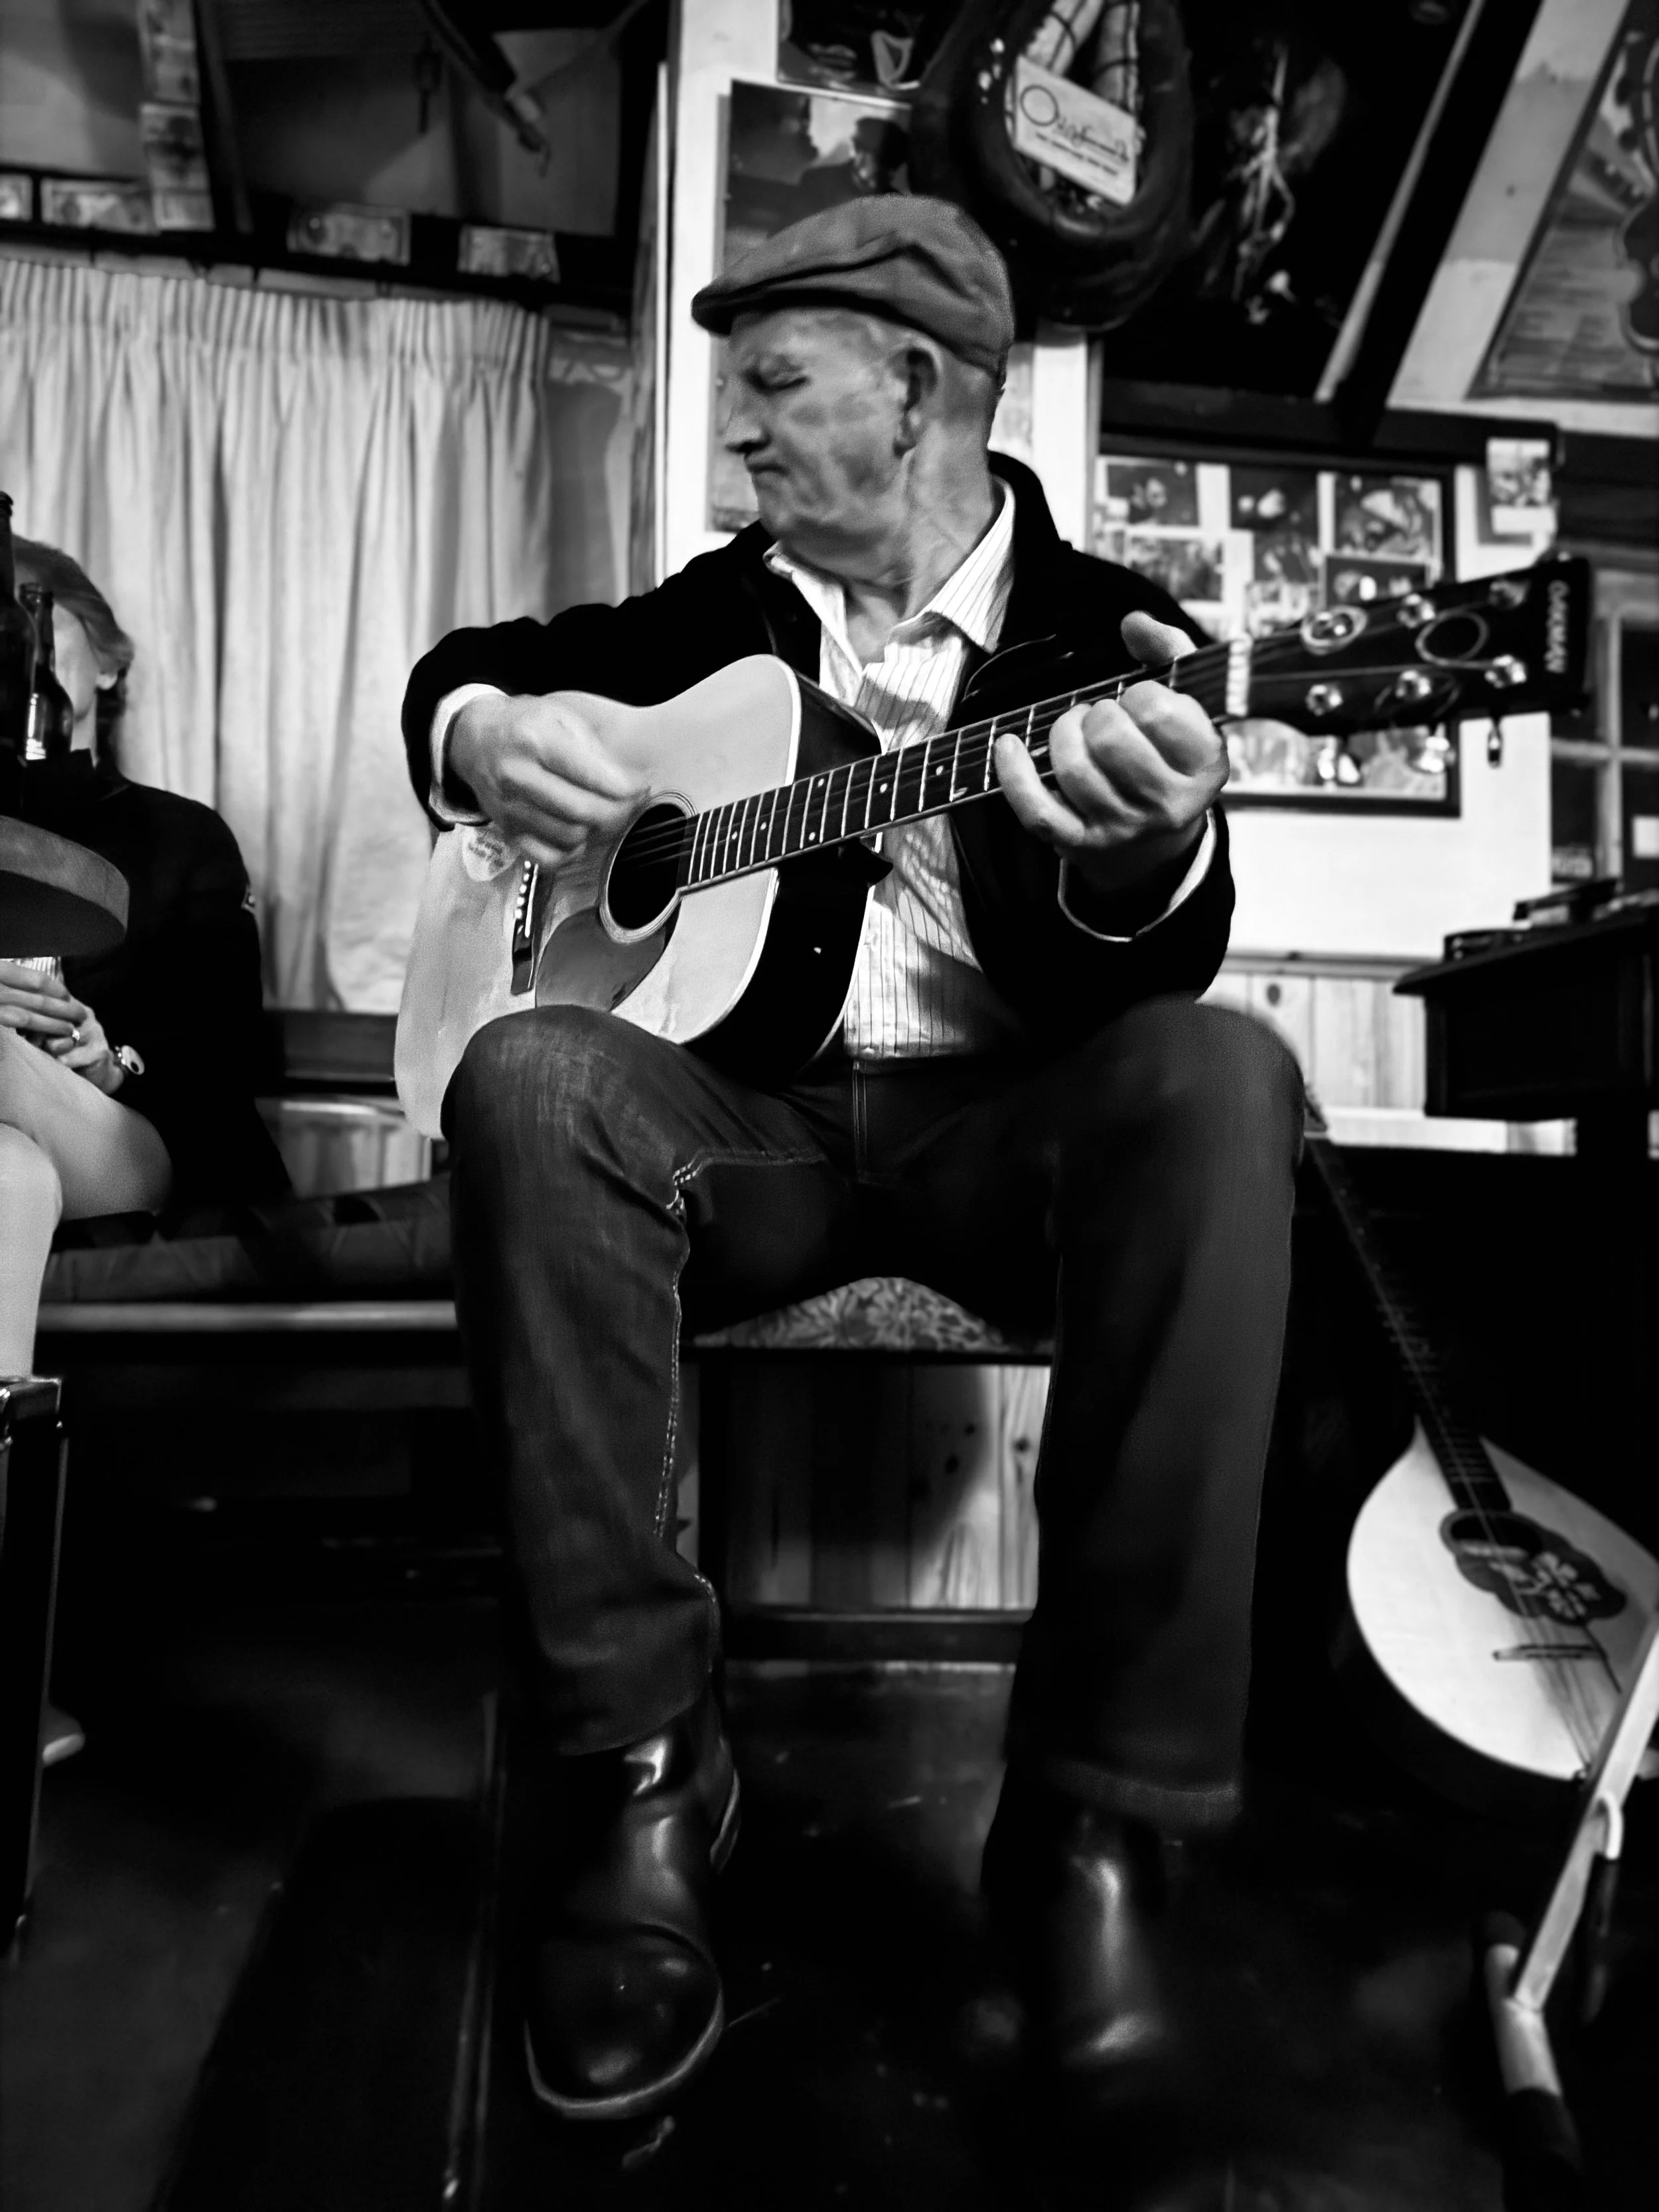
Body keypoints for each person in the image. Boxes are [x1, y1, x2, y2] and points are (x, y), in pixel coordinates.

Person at [400, 196, 1301, 2125]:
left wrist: (1138, 860)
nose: (733, 434)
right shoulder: (700, 624)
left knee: (1222, 1075)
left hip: (1002, 1145)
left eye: (772, 389)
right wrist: (487, 735)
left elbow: (1152, 957)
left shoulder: (1108, 639)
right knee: (531, 1074)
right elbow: (469, 672)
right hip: (754, 1139)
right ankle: (638, 1771)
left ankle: (1092, 1824)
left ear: (914, 390)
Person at [0, 540, 285, 1384]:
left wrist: (110, 1062)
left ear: (109, 664)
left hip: (139, 1139)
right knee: (7, 1175)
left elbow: (225, 1048)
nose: (18, 642)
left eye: (34, 610)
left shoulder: (180, 835)